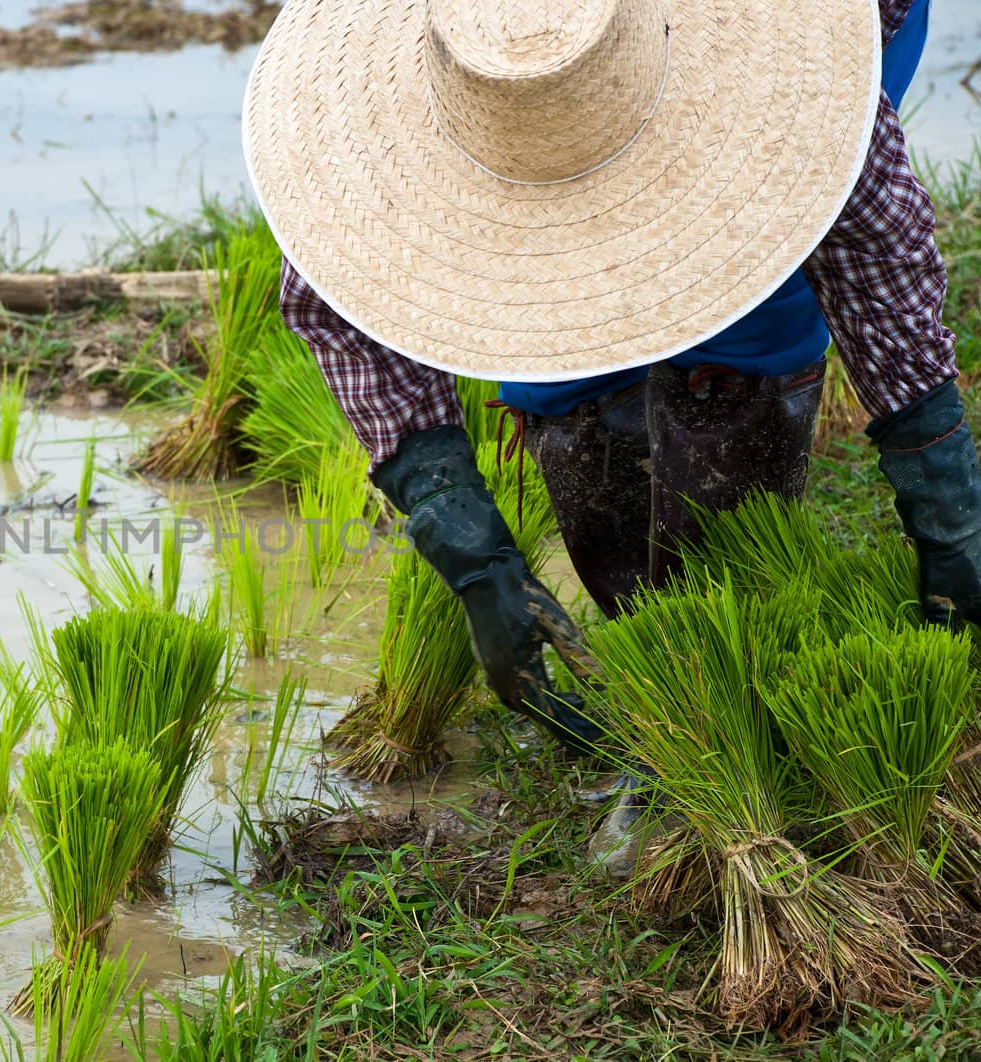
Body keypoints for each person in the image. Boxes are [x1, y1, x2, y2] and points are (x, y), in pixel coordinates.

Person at [243, 0, 976, 865]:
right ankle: (661, 688)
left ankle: (726, 671)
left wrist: (946, 498)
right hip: (512, 113)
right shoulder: (384, 110)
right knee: (559, 360)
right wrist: (467, 546)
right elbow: (333, 290)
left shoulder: (794, 81)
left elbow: (872, 243)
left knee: (749, 314)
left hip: (752, 51)